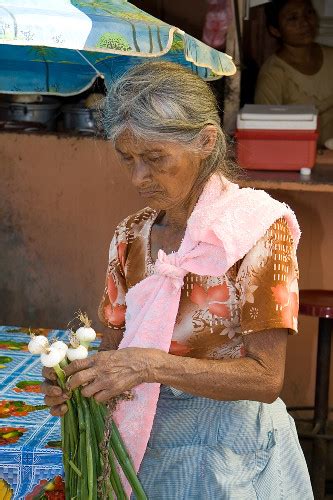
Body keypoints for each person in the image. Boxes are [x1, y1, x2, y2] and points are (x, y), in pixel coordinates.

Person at [41, 61, 313, 499]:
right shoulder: (131, 237)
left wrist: (149, 364)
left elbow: (266, 379)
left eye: (154, 158)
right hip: (147, 444)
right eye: (127, 159)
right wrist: (77, 383)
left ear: (205, 141)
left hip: (232, 452)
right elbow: (115, 354)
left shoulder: (255, 229)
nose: (137, 178)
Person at [255, 0, 333, 146]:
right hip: (299, 160)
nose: (305, 22)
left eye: (309, 12)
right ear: (275, 30)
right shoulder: (273, 74)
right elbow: (266, 131)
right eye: (293, 18)